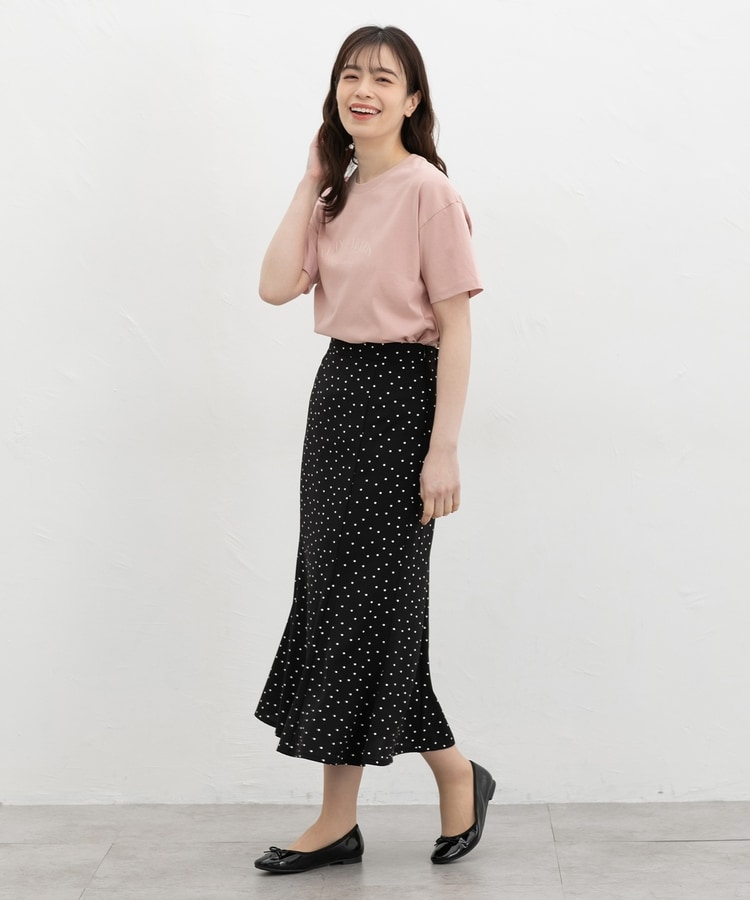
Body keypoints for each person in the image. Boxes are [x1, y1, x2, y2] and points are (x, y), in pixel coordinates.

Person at [253, 24, 493, 874]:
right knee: (336, 605)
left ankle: (429, 783)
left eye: (384, 79)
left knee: (375, 611)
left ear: (412, 99)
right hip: (340, 398)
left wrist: (444, 448)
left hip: (405, 403)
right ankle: (373, 807)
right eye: (351, 75)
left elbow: (457, 328)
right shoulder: (337, 196)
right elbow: (275, 286)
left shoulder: (430, 192)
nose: (365, 90)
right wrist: (312, 179)